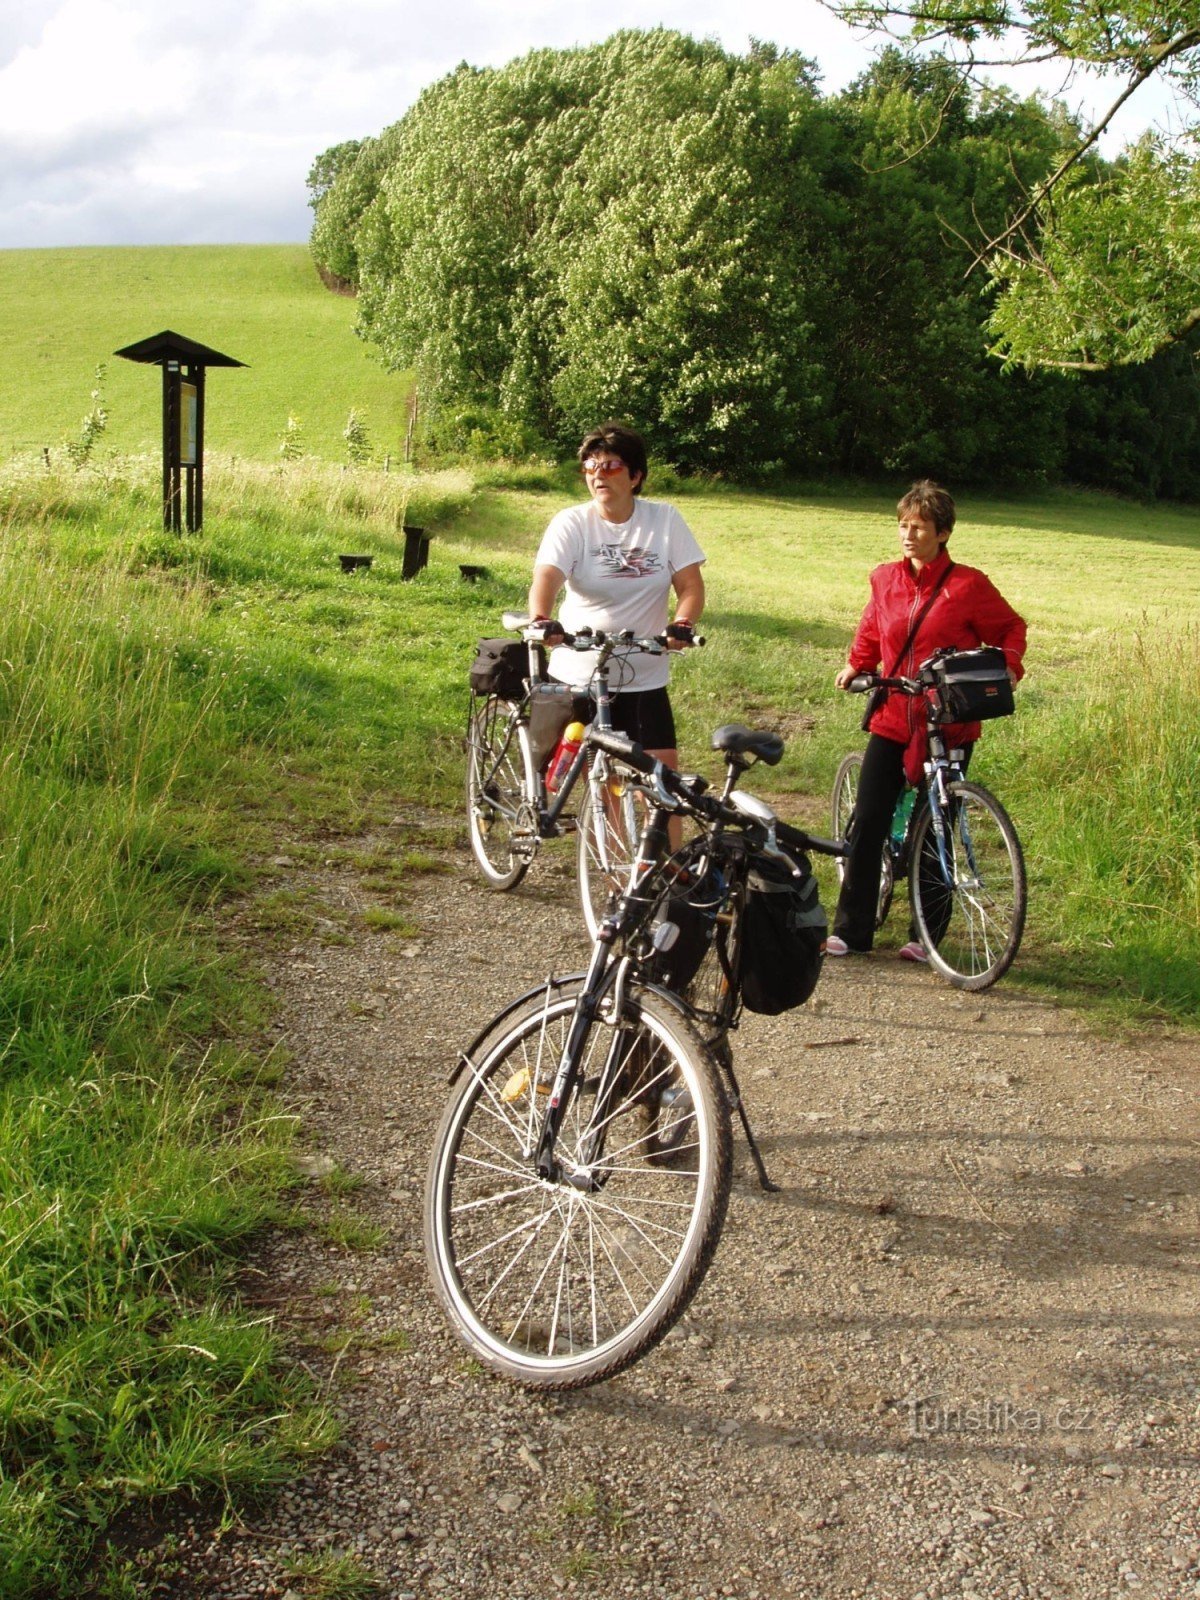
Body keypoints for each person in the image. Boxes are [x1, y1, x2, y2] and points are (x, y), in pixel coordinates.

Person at [828, 479, 1026, 961]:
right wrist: (858, 663)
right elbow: (874, 626)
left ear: (943, 533)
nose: (908, 534)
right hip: (894, 714)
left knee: (935, 825)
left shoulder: (968, 586)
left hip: (949, 719)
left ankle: (925, 935)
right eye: (903, 525)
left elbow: (1009, 629)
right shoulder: (884, 579)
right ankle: (851, 930)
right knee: (870, 820)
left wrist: (1009, 668)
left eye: (919, 527)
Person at [527, 422, 705, 773]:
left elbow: (690, 586)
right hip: (579, 674)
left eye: (610, 467)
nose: (598, 476)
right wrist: (541, 618)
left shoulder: (664, 520)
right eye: (591, 468)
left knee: (663, 785)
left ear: (635, 476)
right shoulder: (572, 523)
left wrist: (682, 624)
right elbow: (546, 578)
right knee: (600, 786)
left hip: (644, 675)